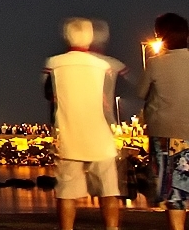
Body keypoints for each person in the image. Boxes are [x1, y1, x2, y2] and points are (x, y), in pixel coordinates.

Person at [45, 17, 127, 230]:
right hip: (100, 136)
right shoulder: (105, 65)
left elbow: (49, 95)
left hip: (70, 135)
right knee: (108, 190)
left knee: (67, 193)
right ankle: (112, 227)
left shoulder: (53, 64)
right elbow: (111, 94)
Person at [138, 12, 189, 230]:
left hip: (165, 134)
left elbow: (141, 92)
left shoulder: (155, 63)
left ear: (161, 35)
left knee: (174, 193)